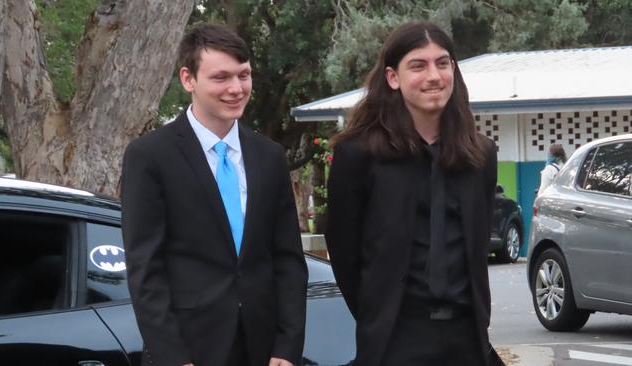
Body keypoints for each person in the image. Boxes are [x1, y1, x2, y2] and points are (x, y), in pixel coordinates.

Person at [121, 23, 307, 366]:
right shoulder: (150, 156)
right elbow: (145, 268)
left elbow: (288, 260)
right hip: (190, 349)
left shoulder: (269, 156)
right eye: (221, 77)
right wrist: (173, 357)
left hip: (264, 349)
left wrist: (287, 346)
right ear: (188, 79)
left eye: (244, 75)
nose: (236, 88)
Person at [325, 22, 505, 366]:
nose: (433, 76)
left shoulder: (480, 155)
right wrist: (378, 314)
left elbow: (477, 246)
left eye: (443, 63)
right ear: (393, 78)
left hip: (467, 338)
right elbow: (345, 253)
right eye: (418, 66)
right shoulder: (357, 154)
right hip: (395, 339)